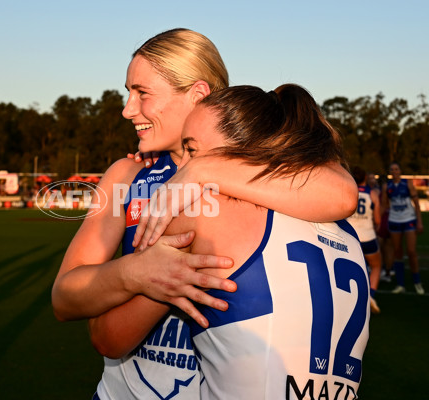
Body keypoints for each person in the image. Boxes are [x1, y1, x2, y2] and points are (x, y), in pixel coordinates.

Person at [51, 29, 358, 400]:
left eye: (142, 93)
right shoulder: (128, 175)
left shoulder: (258, 182)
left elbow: (342, 191)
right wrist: (134, 273)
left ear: (197, 94)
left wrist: (203, 171)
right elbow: (65, 297)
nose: (128, 109)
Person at [114, 84, 368, 399]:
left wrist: (125, 274)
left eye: (191, 150)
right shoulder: (346, 230)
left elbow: (111, 337)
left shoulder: (206, 214)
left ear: (242, 151)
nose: (183, 166)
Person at [382, 161, 425, 294]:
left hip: (409, 220)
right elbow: (385, 204)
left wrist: (419, 221)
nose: (394, 171)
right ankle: (401, 284)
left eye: (396, 169)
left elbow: (416, 204)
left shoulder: (407, 184)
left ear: (400, 171)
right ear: (390, 172)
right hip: (395, 221)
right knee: (398, 252)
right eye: (392, 169)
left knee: (411, 251)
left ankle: (417, 281)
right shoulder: (386, 186)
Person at [347, 166, 382, 313]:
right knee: (376, 266)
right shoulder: (372, 193)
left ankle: (351, 299)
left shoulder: (347, 191)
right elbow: (378, 220)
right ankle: (371, 296)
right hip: (368, 237)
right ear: (365, 178)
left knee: (351, 269)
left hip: (350, 238)